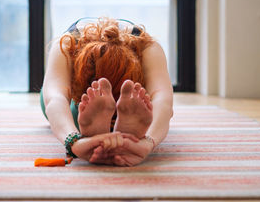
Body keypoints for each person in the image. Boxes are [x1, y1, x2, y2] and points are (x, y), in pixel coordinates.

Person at [40, 17, 173, 166]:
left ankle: (94, 127)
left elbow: (163, 100)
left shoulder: (147, 47)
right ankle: (104, 122)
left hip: (127, 100)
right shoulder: (66, 44)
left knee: (75, 112)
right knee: (61, 103)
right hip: (81, 98)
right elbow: (55, 98)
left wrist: (149, 142)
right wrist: (74, 142)